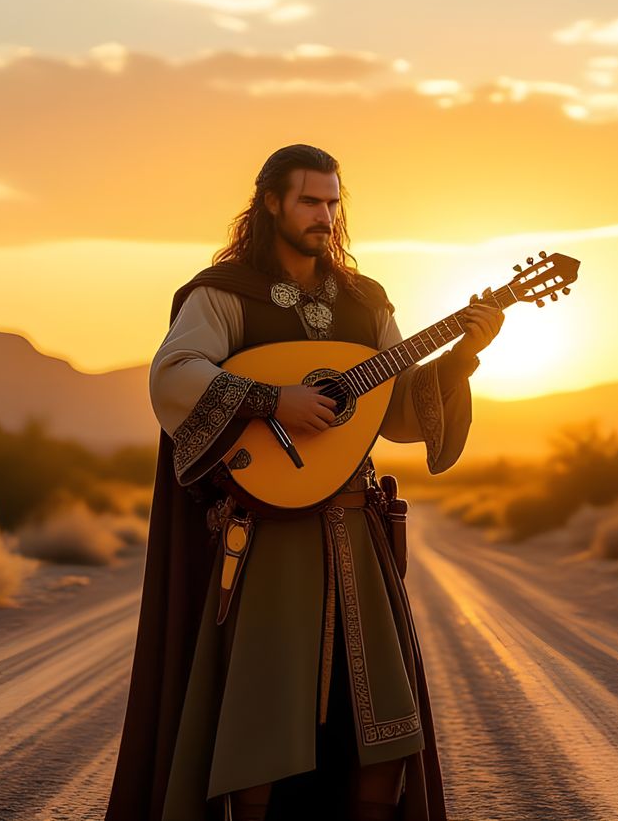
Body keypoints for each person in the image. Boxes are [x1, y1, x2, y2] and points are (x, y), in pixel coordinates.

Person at [104, 144, 503, 821]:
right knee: (264, 717)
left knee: (382, 717)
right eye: (310, 201)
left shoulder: (364, 301)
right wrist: (272, 400)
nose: (325, 215)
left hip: (356, 530)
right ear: (271, 203)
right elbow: (174, 374)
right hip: (268, 533)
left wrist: (463, 355)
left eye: (332, 203)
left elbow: (398, 409)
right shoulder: (223, 295)